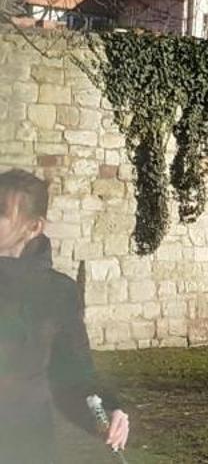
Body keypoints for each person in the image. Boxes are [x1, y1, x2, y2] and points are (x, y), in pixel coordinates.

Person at [0, 169, 131, 461]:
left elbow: (72, 375)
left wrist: (107, 410)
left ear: (33, 227)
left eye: (1, 210)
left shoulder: (57, 294)